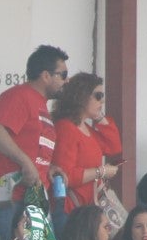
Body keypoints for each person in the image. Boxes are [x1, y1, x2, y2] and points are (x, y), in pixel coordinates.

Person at [0, 44, 69, 238]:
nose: (66, 81)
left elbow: (31, 146)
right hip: (5, 197)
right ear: (46, 76)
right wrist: (26, 162)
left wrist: (48, 167)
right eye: (62, 74)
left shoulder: (40, 105)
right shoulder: (19, 96)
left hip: (31, 198)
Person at [50, 72, 122, 213]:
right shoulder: (66, 128)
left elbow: (113, 147)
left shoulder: (85, 127)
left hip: (87, 208)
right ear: (81, 96)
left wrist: (100, 117)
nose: (102, 101)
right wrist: (101, 172)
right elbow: (66, 176)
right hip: (70, 209)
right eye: (98, 96)